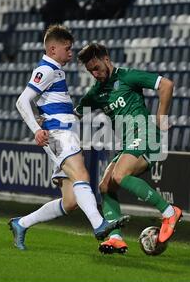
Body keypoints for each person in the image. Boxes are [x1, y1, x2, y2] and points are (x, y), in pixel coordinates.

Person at [9, 25, 128, 251]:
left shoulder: (56, 71)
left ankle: (21, 224)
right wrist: (36, 128)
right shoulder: (46, 70)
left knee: (71, 202)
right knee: (82, 174)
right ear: (53, 49)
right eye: (68, 48)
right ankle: (99, 224)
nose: (71, 53)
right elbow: (22, 101)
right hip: (58, 134)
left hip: (65, 131)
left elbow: (44, 104)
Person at [75, 43, 183, 254]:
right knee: (105, 186)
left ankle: (170, 212)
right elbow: (75, 113)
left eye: (96, 67)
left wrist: (161, 117)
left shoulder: (128, 76)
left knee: (120, 174)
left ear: (106, 59)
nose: (95, 74)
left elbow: (166, 85)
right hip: (129, 144)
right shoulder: (95, 93)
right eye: (90, 71)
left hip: (146, 136)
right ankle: (116, 238)